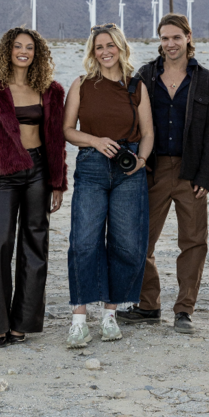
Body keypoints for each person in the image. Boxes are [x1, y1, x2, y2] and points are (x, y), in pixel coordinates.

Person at [117, 13, 209, 335]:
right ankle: (149, 304)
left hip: (191, 172)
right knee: (139, 240)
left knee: (193, 242)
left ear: (189, 37)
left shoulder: (204, 79)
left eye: (176, 37)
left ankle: (184, 309)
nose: (170, 44)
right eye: (164, 38)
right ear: (159, 41)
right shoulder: (146, 75)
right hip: (153, 169)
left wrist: (206, 175)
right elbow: (132, 120)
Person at [0, 27, 66, 347]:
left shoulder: (50, 89)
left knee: (35, 247)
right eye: (18, 46)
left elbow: (55, 140)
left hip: (38, 172)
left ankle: (23, 322)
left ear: (38, 54)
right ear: (7, 50)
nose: (24, 51)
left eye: (30, 48)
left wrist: (58, 182)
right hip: (3, 175)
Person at [63, 23, 155, 348]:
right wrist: (95, 141)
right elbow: (67, 130)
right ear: (93, 51)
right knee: (84, 241)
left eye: (110, 45)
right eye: (99, 46)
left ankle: (110, 315)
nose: (105, 51)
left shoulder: (137, 86)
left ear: (121, 47)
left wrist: (141, 160)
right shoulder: (81, 85)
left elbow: (148, 132)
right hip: (91, 165)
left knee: (126, 244)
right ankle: (78, 320)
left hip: (128, 168)